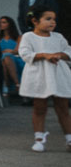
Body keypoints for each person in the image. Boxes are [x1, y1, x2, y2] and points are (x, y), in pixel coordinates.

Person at [18, 8, 71, 152]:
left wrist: (60, 54)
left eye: (54, 19)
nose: (52, 22)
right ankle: (39, 138)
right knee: (39, 108)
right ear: (35, 21)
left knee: (63, 108)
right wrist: (44, 55)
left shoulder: (58, 37)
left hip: (58, 75)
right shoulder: (28, 36)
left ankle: (69, 139)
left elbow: (68, 51)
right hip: (39, 76)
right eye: (48, 19)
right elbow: (25, 53)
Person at [0, 16, 25, 96]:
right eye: (0, 23)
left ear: (10, 24)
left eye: (4, 22)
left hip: (16, 59)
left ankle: (8, 86)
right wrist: (7, 51)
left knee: (6, 58)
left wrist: (7, 51)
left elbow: (17, 51)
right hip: (2, 60)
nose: (1, 24)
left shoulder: (18, 37)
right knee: (4, 61)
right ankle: (16, 84)